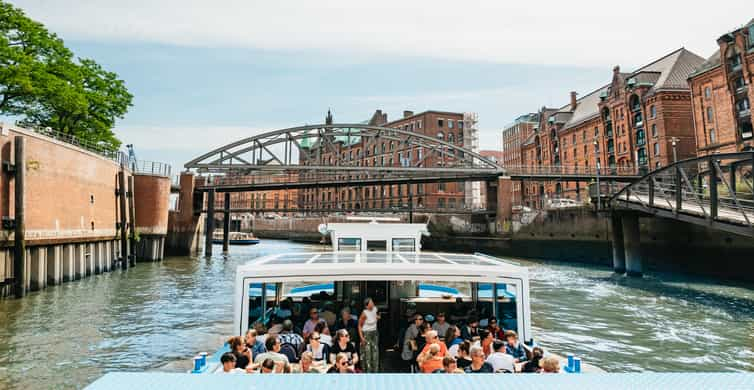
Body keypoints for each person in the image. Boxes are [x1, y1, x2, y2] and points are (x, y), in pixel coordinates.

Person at [358, 297, 380, 373]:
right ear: (367, 306)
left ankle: (375, 371)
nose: (372, 303)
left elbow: (377, 316)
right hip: (366, 334)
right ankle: (367, 372)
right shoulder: (364, 313)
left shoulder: (375, 309)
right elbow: (359, 325)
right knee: (367, 355)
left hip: (374, 333)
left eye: (372, 302)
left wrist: (377, 317)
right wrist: (361, 338)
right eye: (371, 303)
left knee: (375, 353)